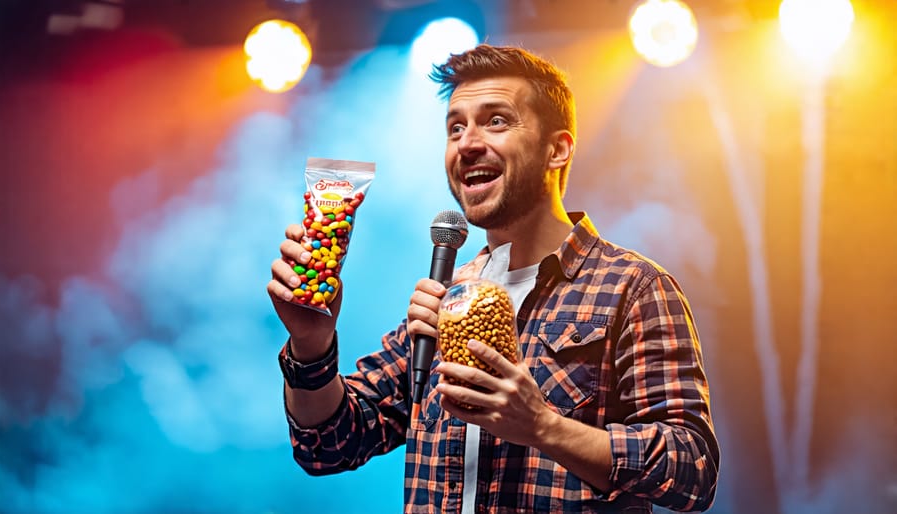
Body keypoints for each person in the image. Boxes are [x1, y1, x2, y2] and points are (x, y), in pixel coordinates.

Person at [268, 44, 720, 513]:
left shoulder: (632, 288)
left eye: (497, 121)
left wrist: (543, 425)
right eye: (455, 127)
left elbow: (692, 472)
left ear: (557, 149)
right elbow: (327, 445)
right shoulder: (449, 297)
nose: (467, 143)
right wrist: (310, 344)